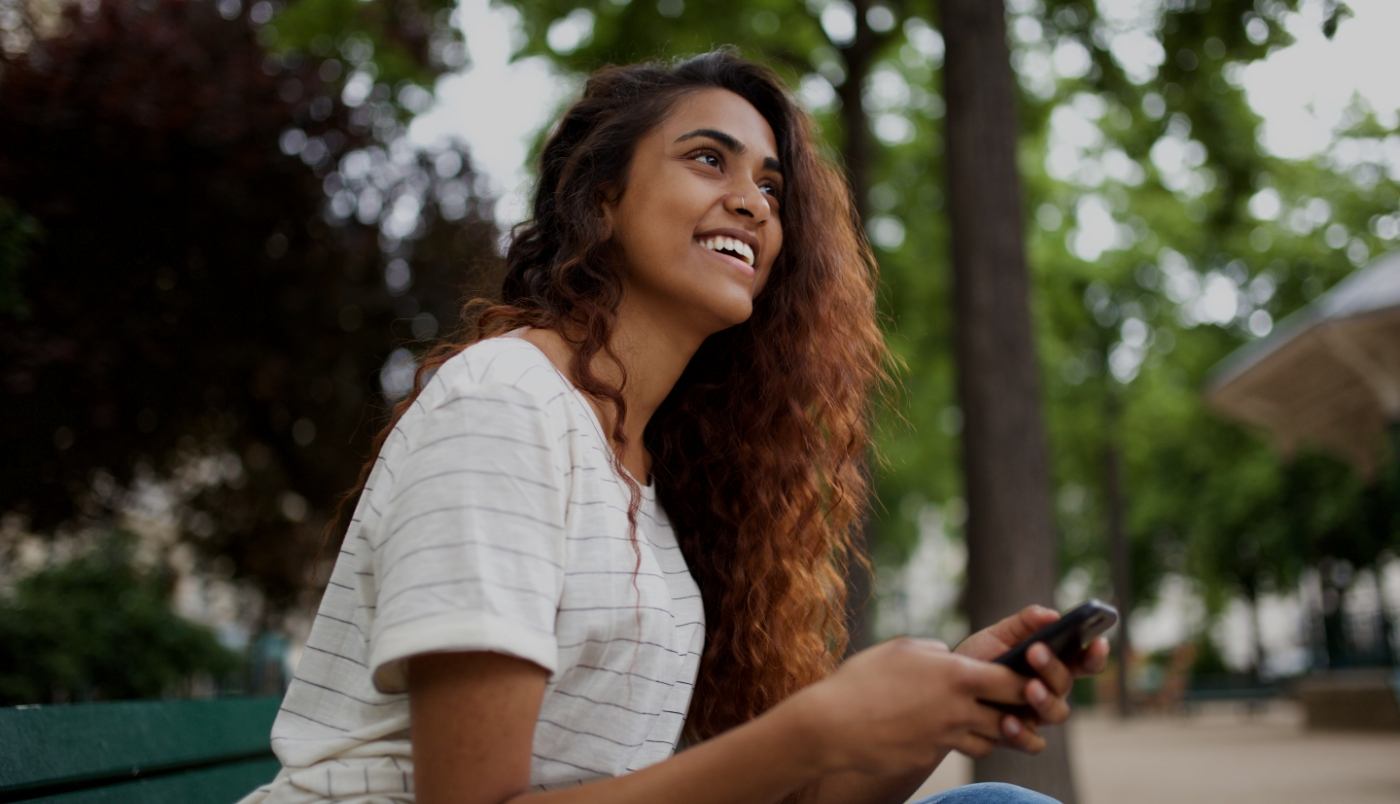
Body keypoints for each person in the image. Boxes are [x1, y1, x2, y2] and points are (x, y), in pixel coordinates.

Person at [240, 49, 1108, 804]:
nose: (756, 203)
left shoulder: (655, 475)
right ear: (603, 200)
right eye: (709, 160)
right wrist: (812, 729)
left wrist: (941, 710)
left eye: (770, 185)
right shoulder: (505, 406)